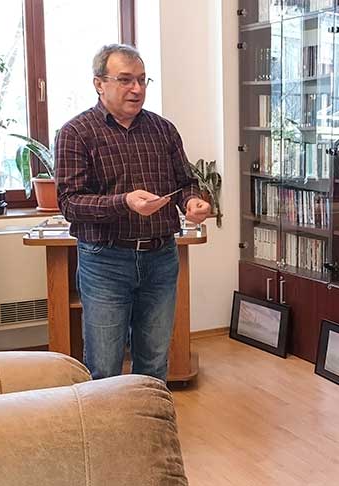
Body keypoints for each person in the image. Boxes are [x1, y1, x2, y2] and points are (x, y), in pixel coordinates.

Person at [55, 44, 211, 381]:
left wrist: (191, 202)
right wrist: (124, 201)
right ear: (99, 84)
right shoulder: (75, 133)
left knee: (154, 361)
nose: (137, 89)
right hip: (105, 261)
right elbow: (70, 203)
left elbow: (185, 182)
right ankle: (106, 419)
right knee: (104, 365)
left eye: (142, 80)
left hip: (161, 257)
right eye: (125, 80)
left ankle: (149, 417)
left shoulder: (163, 130)